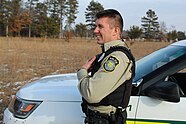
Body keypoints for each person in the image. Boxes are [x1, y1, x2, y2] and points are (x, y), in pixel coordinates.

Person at [77, 9, 135, 124]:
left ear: (115, 31)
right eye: (95, 26)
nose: (95, 31)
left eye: (100, 27)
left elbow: (91, 94)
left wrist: (82, 73)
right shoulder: (107, 54)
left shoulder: (117, 57)